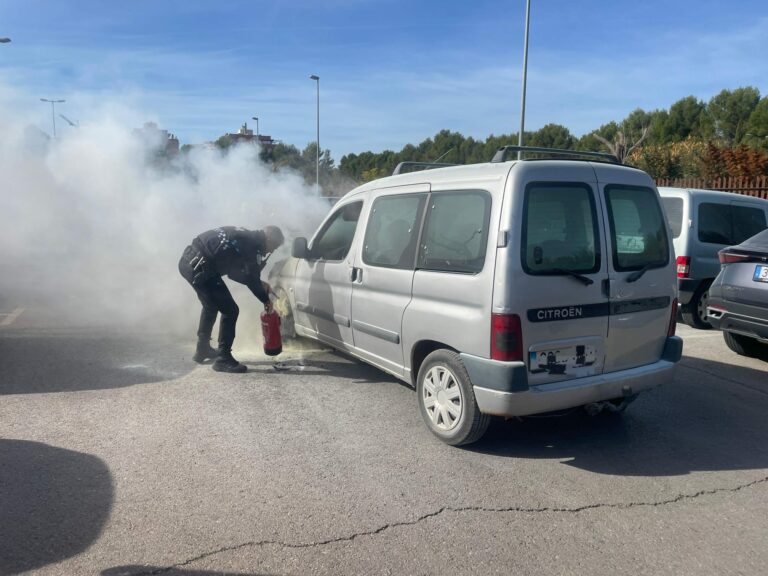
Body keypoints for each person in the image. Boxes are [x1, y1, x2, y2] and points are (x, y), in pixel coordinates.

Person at [178, 225, 285, 373]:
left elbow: (234, 273)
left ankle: (202, 349)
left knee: (211, 305)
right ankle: (223, 359)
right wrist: (265, 300)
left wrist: (259, 282)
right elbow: (250, 279)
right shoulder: (252, 246)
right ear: (269, 239)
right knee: (230, 310)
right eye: (274, 247)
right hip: (202, 268)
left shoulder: (246, 236)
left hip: (188, 262)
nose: (271, 252)